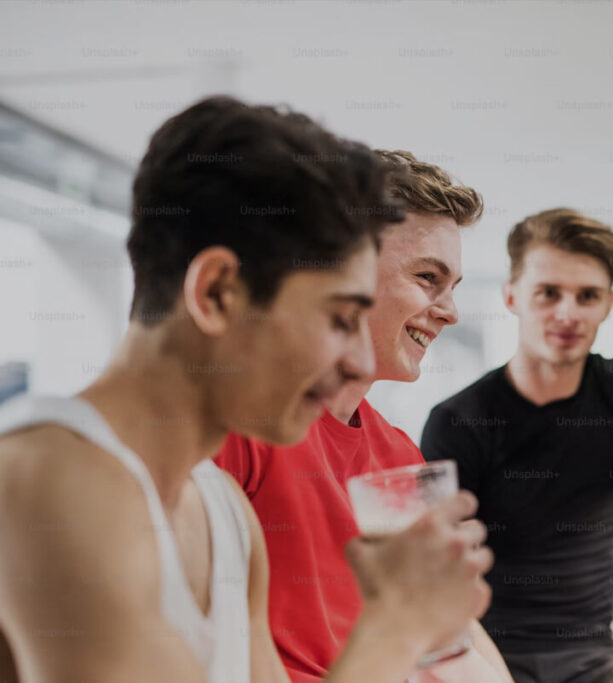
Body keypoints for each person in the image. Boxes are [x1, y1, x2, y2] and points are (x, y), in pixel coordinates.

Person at [0, 97, 492, 683]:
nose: (358, 360)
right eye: (338, 318)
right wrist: (398, 625)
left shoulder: (224, 513)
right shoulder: (45, 482)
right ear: (216, 294)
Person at [214, 150, 513, 682]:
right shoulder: (239, 430)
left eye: (454, 287)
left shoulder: (399, 453)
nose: (450, 311)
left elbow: (450, 625)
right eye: (427, 277)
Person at [420, 208, 613, 683]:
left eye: (586, 296)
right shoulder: (457, 422)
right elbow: (431, 584)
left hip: (595, 659)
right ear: (511, 297)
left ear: (608, 304)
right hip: (488, 660)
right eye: (548, 293)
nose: (567, 313)